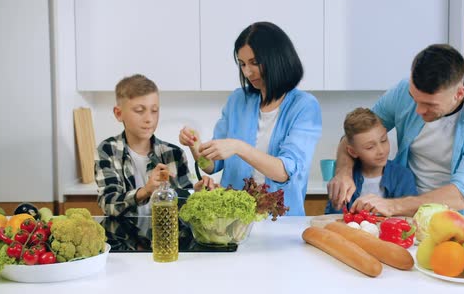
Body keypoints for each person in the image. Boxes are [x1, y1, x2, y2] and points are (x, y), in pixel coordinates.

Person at [328, 44, 464, 217]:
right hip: (407, 216)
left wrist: (392, 205)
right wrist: (344, 172)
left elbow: (461, 194)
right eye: (414, 98)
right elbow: (354, 136)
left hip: (459, 219)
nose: (418, 110)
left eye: (429, 104)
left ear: (458, 94)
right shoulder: (401, 92)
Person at [179, 22, 322, 216]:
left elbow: (284, 172)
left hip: (281, 222)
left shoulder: (304, 106)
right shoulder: (238, 100)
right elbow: (213, 166)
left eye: (255, 63)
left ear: (277, 59)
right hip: (233, 219)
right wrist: (195, 146)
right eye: (243, 64)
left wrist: (239, 147)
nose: (247, 72)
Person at [95, 74, 215, 217]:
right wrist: (146, 190)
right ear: (119, 113)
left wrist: (196, 194)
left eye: (154, 110)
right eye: (139, 110)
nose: (149, 119)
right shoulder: (108, 150)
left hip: (167, 238)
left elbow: (184, 208)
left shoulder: (174, 154)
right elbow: (108, 204)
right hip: (123, 237)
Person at [324, 108, 417, 214]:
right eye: (370, 147)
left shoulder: (402, 176)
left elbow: (409, 216)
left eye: (383, 140)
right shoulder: (344, 181)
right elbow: (332, 219)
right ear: (353, 152)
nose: (381, 151)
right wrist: (336, 205)